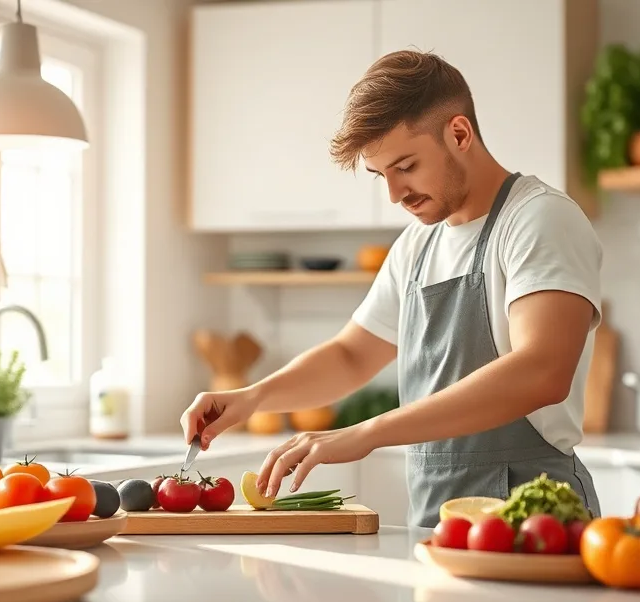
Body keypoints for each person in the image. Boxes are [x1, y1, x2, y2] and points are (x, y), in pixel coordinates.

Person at [179, 50, 604, 528]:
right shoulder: (418, 243)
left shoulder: (538, 219)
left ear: (459, 134)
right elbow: (351, 355)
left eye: (406, 166)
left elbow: (542, 370)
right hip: (437, 518)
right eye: (382, 175)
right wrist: (253, 397)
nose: (394, 194)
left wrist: (367, 432)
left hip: (538, 513)